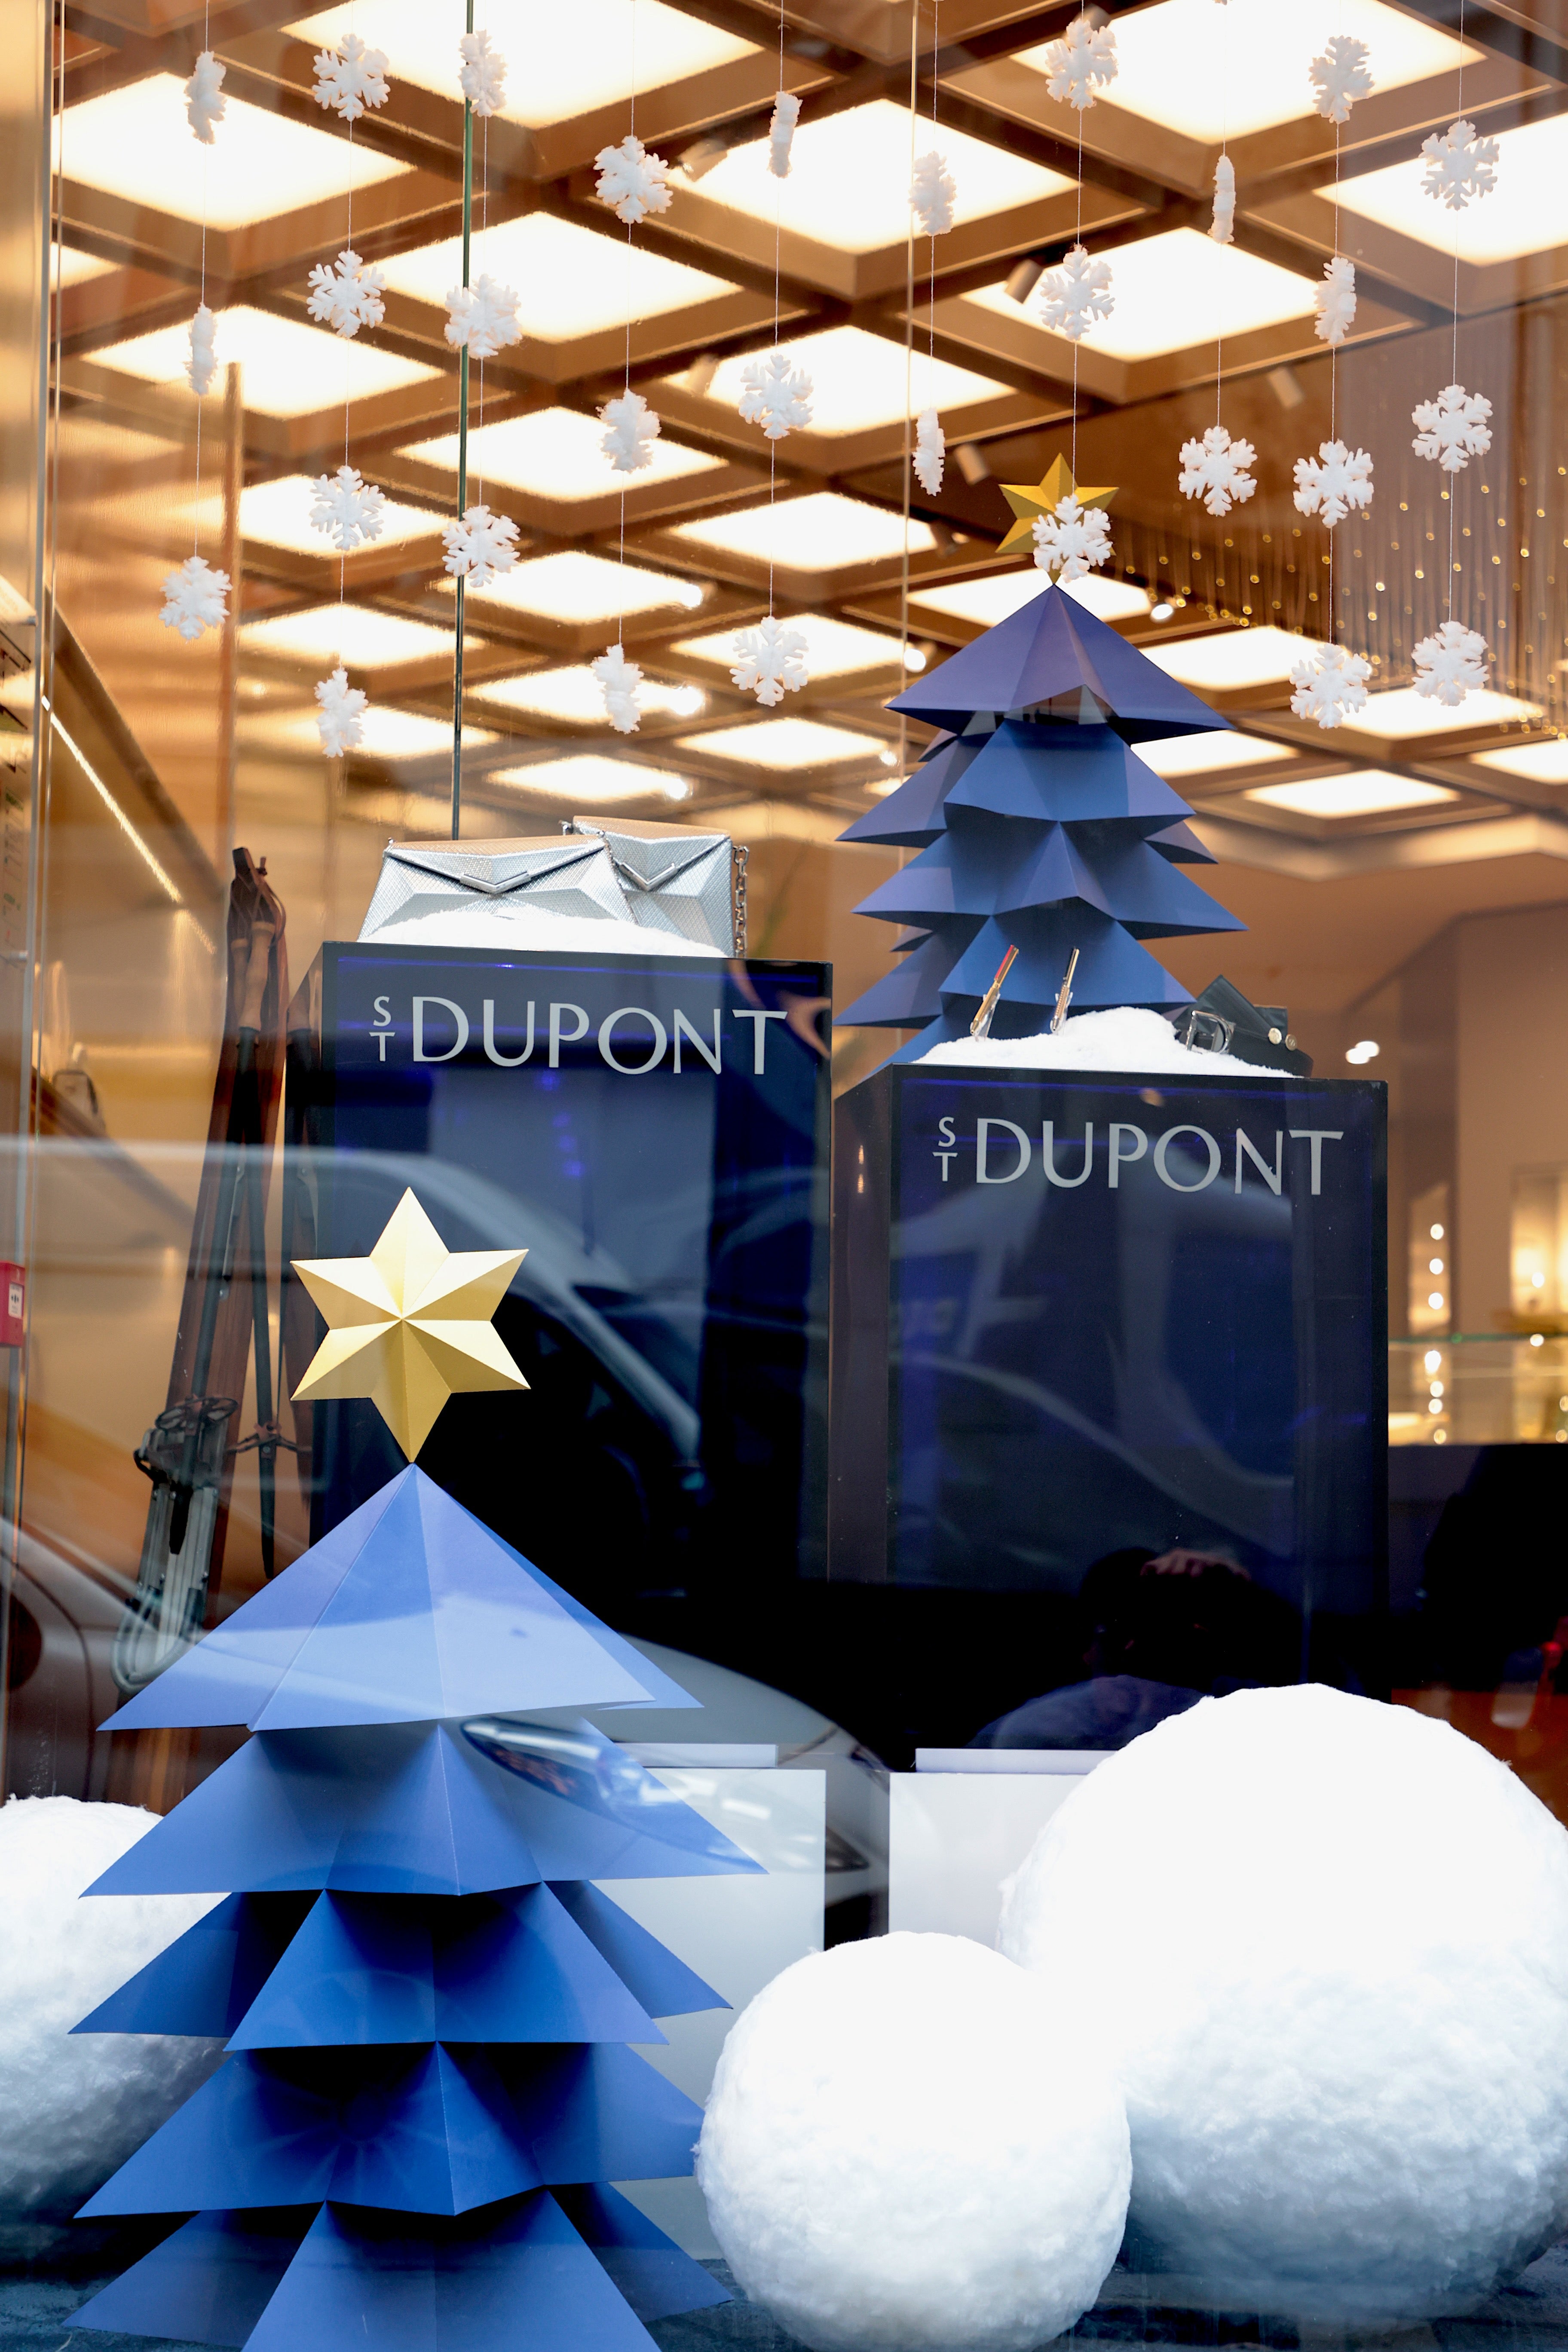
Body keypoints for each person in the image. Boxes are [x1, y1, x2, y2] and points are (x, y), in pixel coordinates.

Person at [969, 1545, 1286, 1750]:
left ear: (1195, 1640)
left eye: (1156, 1634)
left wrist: (1238, 1589)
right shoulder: (1040, 1732)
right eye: (1117, 1635)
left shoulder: (1240, 1712)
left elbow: (1303, 1692)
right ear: (1087, 1648)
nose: (1135, 1653)